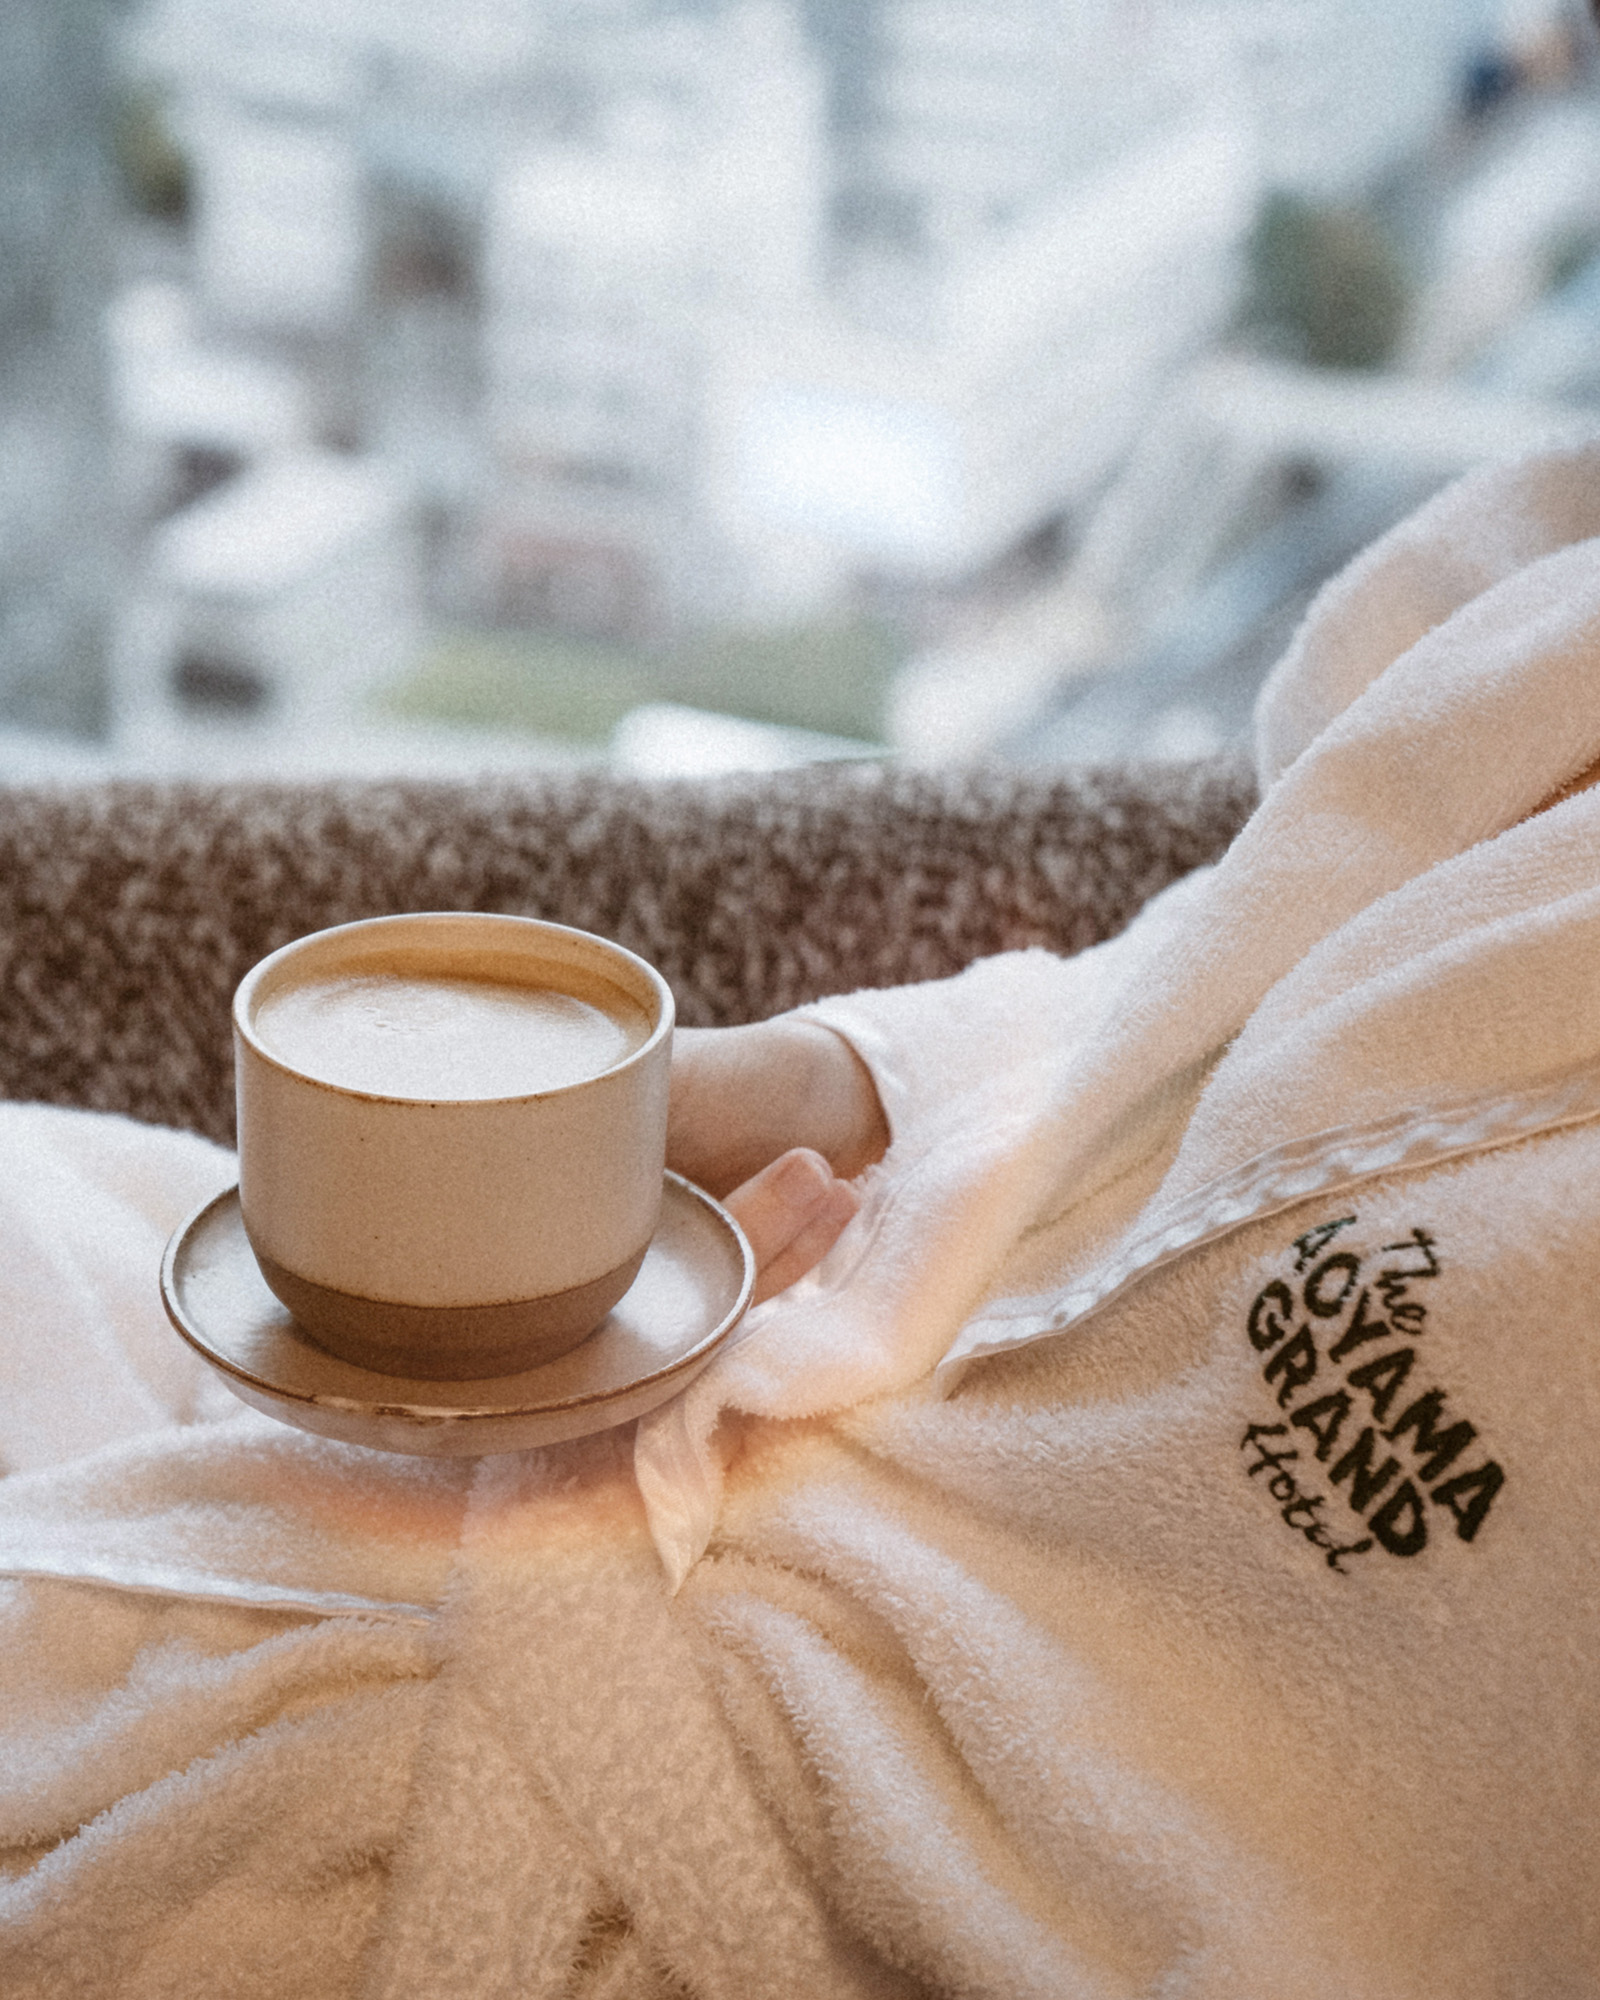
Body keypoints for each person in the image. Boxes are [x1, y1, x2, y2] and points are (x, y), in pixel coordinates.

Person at [3, 439, 1600, 1997]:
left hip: (815, 1817)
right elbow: (1229, 953)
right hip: (687, 1400)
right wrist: (851, 1084)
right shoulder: (1555, 660)